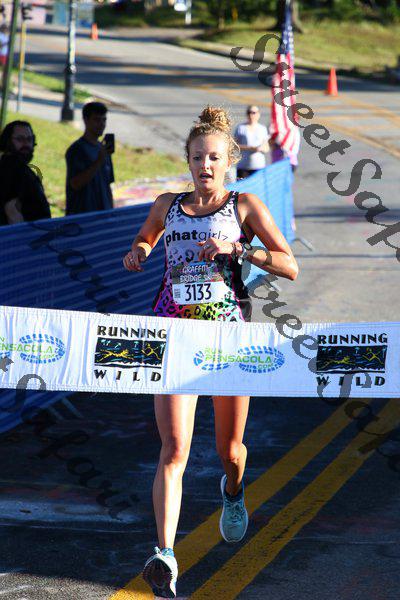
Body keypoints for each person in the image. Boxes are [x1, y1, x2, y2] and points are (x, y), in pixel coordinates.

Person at [123, 106, 298, 598]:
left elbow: (289, 265)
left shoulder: (243, 207)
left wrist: (239, 250)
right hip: (175, 337)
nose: (205, 165)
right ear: (188, 160)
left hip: (227, 341)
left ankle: (234, 490)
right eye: (198, 157)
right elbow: (146, 238)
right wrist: (139, 251)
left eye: (214, 158)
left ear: (229, 162)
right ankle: (165, 554)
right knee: (173, 449)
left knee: (230, 451)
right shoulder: (167, 205)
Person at [65, 101, 114, 215]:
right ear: (85, 120)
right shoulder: (76, 149)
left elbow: (108, 185)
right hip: (82, 217)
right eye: (97, 120)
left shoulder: (104, 149)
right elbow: (75, 184)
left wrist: (111, 212)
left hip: (103, 215)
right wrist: (99, 161)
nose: (101, 124)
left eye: (104, 120)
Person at [0, 120, 51, 226]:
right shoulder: (13, 169)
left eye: (29, 139)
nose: (26, 144)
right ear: (7, 141)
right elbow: (12, 211)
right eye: (20, 139)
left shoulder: (17, 167)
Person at [234, 105, 269, 179]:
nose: (251, 115)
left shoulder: (262, 128)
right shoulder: (241, 128)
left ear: (258, 114)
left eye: (254, 113)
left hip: (258, 167)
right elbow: (234, 145)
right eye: (249, 112)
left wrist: (261, 148)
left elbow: (267, 147)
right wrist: (251, 148)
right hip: (243, 167)